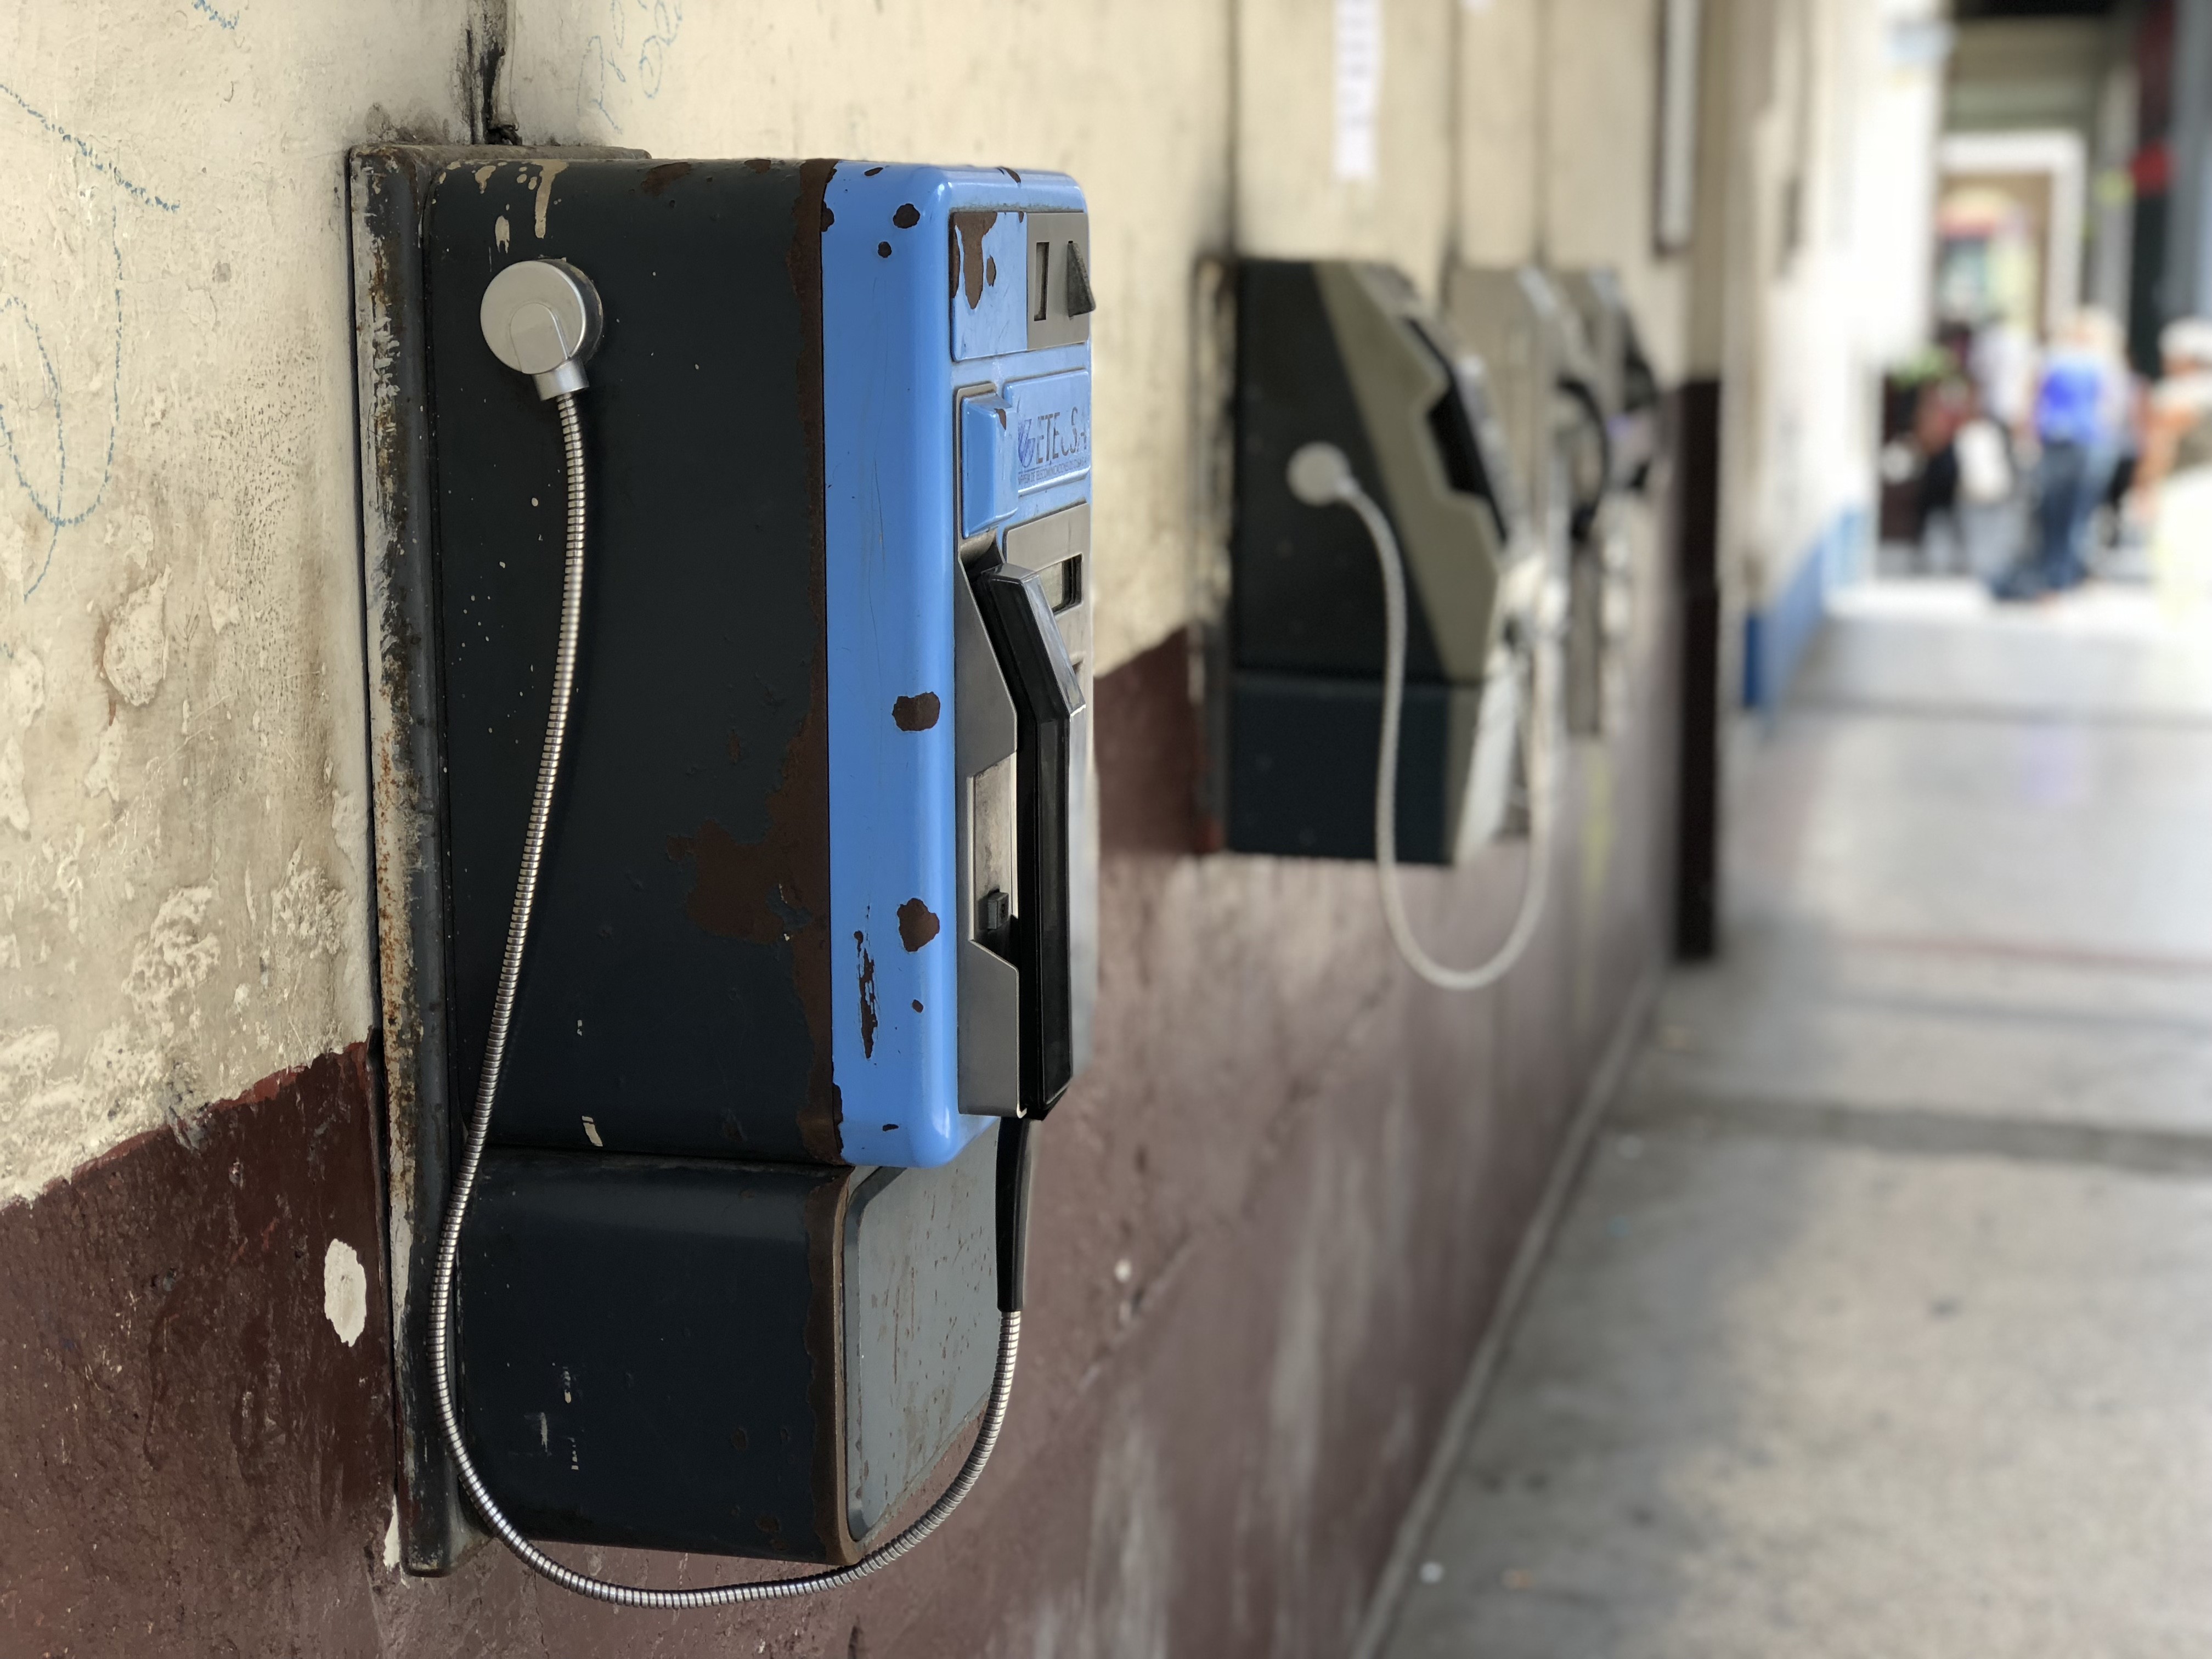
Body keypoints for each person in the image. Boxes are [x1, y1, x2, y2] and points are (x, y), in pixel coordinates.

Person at [1997, 308, 2127, 599]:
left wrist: (2025, 437)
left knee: (2056, 514)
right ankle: (2059, 578)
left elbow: (2029, 401)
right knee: (2073, 515)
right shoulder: (2097, 363)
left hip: (2062, 440)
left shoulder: (2054, 360)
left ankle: (2057, 578)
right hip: (2083, 442)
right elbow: (2114, 408)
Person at [2134, 317, 2212, 624]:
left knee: (2176, 558)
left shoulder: (2176, 395)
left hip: (2183, 486)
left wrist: (2145, 486)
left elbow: (2160, 447)